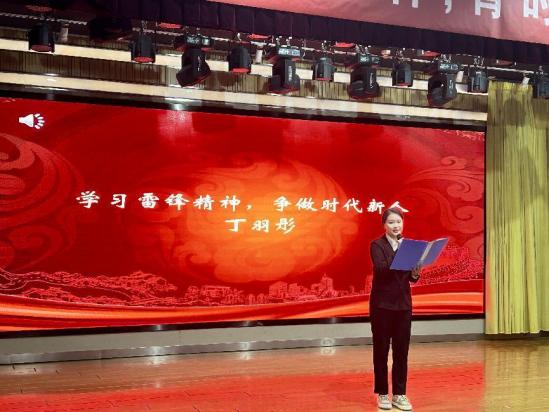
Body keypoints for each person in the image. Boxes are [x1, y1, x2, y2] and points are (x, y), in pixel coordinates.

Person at [369, 207, 420, 411]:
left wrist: (415, 272)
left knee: (401, 351)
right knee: (381, 350)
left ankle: (399, 394)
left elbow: (410, 278)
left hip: (403, 305)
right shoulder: (377, 245)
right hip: (382, 306)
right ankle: (382, 393)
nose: (396, 225)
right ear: (384, 225)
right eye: (391, 222)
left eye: (398, 221)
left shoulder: (408, 246)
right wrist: (401, 252)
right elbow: (382, 269)